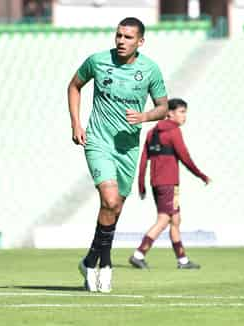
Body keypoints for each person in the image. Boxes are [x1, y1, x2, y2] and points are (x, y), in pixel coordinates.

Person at [67, 17, 168, 292]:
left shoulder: (150, 70)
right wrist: (76, 122)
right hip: (98, 141)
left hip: (128, 148)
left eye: (128, 37)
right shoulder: (97, 61)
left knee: (114, 208)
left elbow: (163, 107)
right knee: (110, 199)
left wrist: (145, 116)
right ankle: (106, 264)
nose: (121, 41)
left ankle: (90, 261)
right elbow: (74, 86)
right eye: (119, 35)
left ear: (140, 41)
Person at [129, 98, 210, 270]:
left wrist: (141, 185)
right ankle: (139, 254)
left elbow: (144, 160)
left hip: (156, 183)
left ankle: (182, 261)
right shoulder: (173, 131)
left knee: (175, 219)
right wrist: (201, 175)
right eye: (181, 112)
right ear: (169, 113)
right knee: (164, 219)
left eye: (185, 112)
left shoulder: (152, 133)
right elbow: (185, 157)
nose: (184, 116)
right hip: (169, 183)